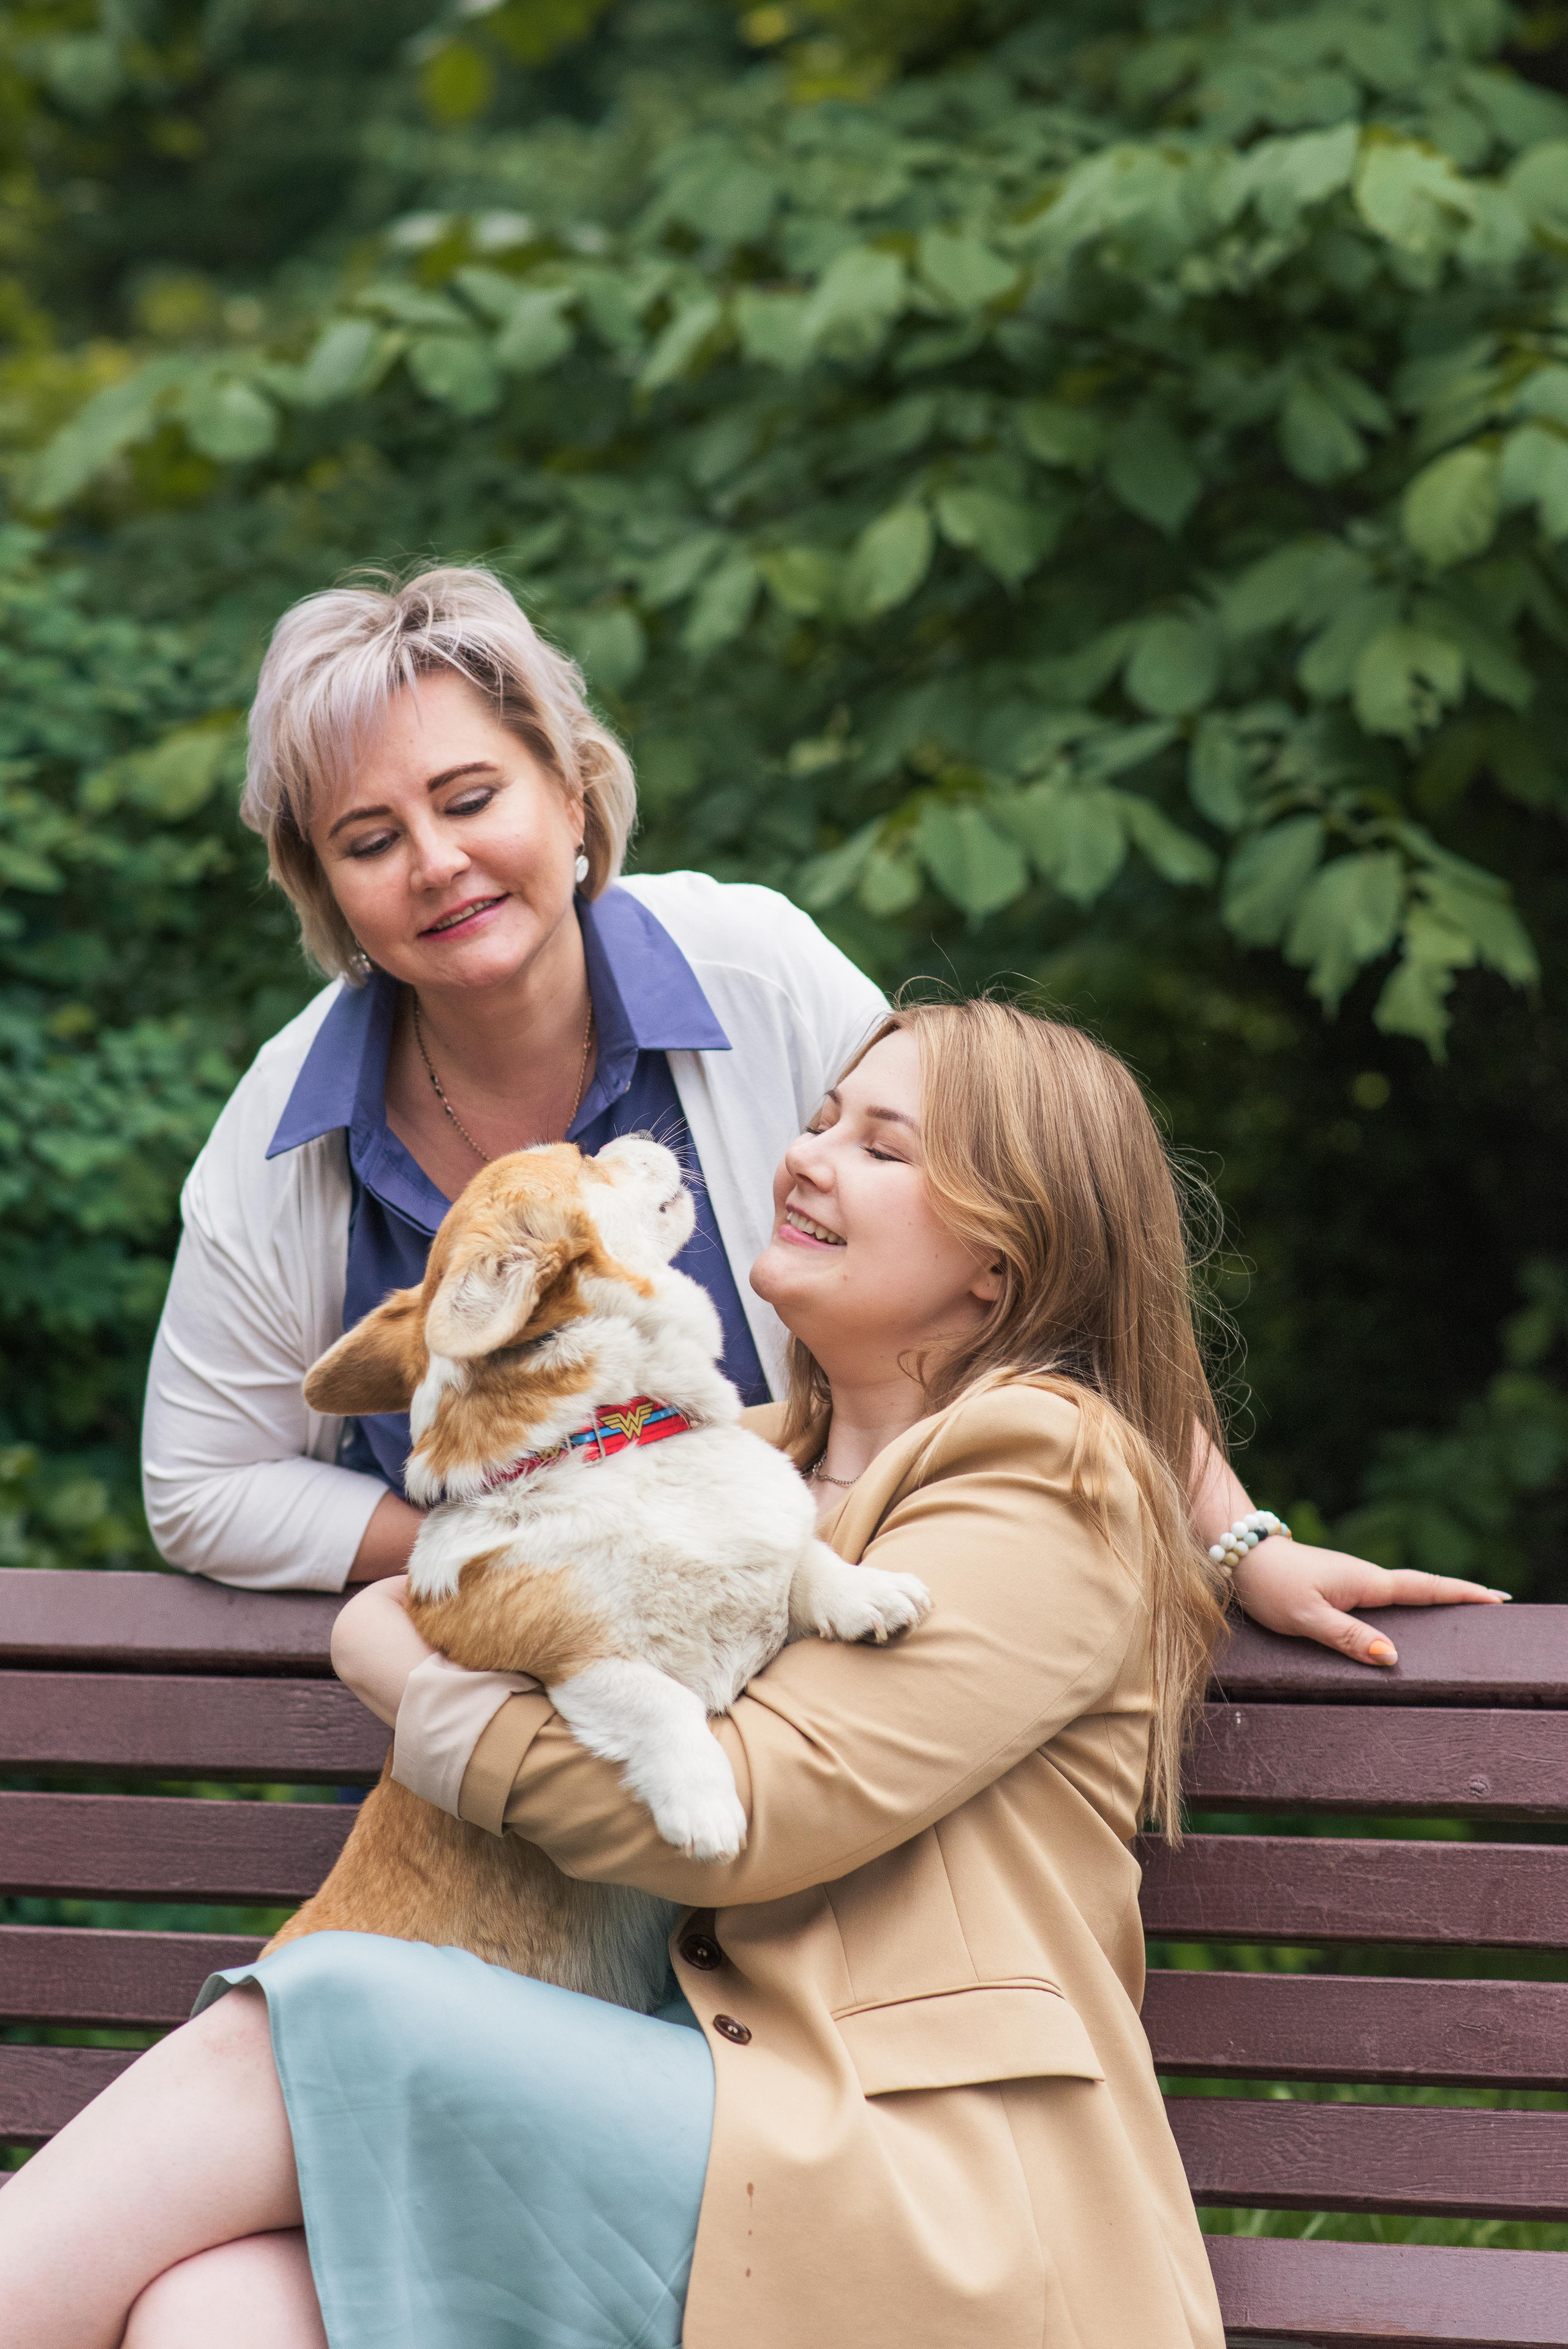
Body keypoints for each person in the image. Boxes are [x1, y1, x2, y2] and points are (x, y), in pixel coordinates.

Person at [1, 1001, 1507, 2349]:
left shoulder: (1042, 1471)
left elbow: (732, 1811)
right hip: (690, 2122)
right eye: (818, 1118)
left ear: (1001, 1260)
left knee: (316, 2005)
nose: (805, 1155)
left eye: (882, 1145)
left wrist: (407, 1673)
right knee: (218, 2307)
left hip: (916, 2196)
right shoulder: (737, 1465)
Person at [138, 562, 1499, 1665]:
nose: (435, 862)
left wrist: (1233, 1540)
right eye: (369, 841)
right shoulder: (288, 1127)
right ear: (324, 889)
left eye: (470, 796)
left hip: (835, 1683)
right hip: (508, 1726)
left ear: (569, 793)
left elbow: (1023, 1249)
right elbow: (200, 1487)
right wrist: (531, 1535)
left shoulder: (750, 966)